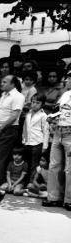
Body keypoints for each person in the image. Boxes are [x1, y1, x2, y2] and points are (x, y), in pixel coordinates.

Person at [0, 75, 25, 187]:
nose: (1, 84)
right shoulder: (3, 95)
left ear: (12, 84)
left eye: (4, 82)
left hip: (8, 129)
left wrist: (1, 128)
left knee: (0, 157)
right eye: (1, 81)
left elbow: (14, 116)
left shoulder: (18, 96)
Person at [42, 79, 71, 210]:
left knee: (70, 168)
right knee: (54, 165)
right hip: (58, 131)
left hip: (70, 133)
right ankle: (53, 198)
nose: (67, 81)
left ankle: (69, 200)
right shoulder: (66, 94)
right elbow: (58, 110)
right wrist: (52, 116)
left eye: (70, 78)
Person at [22, 94, 49, 182]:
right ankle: (24, 183)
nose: (34, 104)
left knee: (34, 164)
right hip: (27, 142)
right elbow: (25, 128)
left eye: (37, 103)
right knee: (26, 163)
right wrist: (24, 139)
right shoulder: (28, 114)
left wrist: (45, 146)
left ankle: (31, 183)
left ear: (42, 104)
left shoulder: (43, 115)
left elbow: (46, 131)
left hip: (38, 142)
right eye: (33, 102)